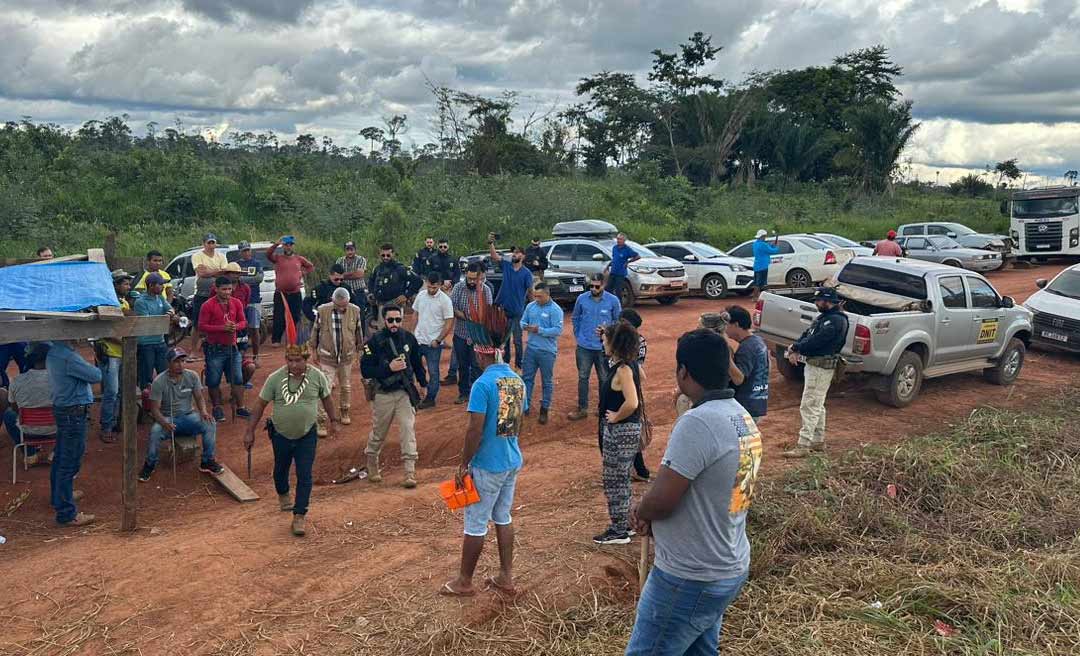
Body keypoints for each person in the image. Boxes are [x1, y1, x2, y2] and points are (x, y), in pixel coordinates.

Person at [625, 329, 761, 655]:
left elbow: (663, 498)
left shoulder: (698, 422)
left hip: (689, 577)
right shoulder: (741, 417)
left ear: (683, 372)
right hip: (726, 565)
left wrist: (641, 512)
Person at [441, 304, 526, 597]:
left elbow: (474, 429)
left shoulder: (482, 384)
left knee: (476, 523)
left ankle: (464, 582)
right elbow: (515, 423)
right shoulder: (515, 380)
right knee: (503, 516)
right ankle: (506, 576)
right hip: (510, 459)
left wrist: (464, 464)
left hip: (488, 464)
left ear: (481, 353)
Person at [244, 343, 337, 537]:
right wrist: (249, 431)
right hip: (280, 434)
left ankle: (299, 514)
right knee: (280, 470)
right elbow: (260, 405)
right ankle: (283, 492)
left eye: (298, 361)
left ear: (306, 360)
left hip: (307, 435)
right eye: (290, 360)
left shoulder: (317, 376)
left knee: (305, 475)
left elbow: (327, 399)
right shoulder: (275, 378)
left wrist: (333, 421)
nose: (293, 365)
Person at [360, 305, 427, 488]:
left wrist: (423, 383)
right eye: (391, 320)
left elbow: (417, 363)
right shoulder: (373, 342)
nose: (395, 323)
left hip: (404, 392)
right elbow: (365, 370)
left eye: (398, 319)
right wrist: (388, 368)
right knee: (379, 432)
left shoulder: (409, 339)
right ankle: (372, 461)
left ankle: (409, 471)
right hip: (383, 393)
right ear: (384, 320)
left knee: (407, 428)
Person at [593, 320, 646, 545]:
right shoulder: (629, 364)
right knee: (620, 479)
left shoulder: (623, 369)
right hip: (626, 430)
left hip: (621, 430)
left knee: (614, 480)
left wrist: (615, 416)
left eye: (605, 341)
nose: (603, 344)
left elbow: (632, 402)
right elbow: (641, 378)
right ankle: (624, 524)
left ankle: (618, 530)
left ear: (614, 344)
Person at [138, 348, 221, 481]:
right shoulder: (159, 381)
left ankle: (207, 460)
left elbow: (199, 398)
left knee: (210, 423)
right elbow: (154, 409)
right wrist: (164, 423)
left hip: (189, 415)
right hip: (168, 418)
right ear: (168, 363)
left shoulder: (192, 376)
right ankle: (150, 464)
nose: (181, 364)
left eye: (182, 361)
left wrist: (204, 412)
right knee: (155, 432)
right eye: (176, 362)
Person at [784, 287, 848, 458]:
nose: (816, 304)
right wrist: (795, 347)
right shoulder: (825, 318)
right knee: (817, 405)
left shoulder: (835, 321)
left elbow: (817, 341)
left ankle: (803, 445)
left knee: (810, 405)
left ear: (828, 301)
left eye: (818, 301)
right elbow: (807, 335)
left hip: (821, 367)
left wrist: (796, 348)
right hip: (816, 366)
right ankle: (817, 442)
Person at [48, 339, 102, 526]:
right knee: (69, 461)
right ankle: (66, 512)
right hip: (73, 412)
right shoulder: (69, 357)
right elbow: (96, 375)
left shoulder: (55, 351)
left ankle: (59, 496)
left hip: (65, 409)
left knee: (61, 457)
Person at [309, 287, 363, 434]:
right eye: (338, 306)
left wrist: (360, 351)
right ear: (333, 301)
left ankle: (344, 411)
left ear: (348, 302)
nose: (341, 308)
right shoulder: (322, 310)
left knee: (346, 386)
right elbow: (316, 330)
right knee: (325, 388)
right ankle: (321, 421)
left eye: (344, 306)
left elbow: (358, 331)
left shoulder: (355, 310)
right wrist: (313, 351)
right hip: (327, 356)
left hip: (346, 356)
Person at [568, 273, 622, 421]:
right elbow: (575, 317)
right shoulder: (582, 299)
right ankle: (582, 408)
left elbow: (618, 321)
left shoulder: (613, 301)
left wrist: (609, 335)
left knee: (604, 379)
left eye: (597, 286)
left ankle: (603, 408)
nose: (593, 288)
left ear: (603, 285)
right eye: (591, 286)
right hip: (584, 346)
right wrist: (578, 335)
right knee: (583, 377)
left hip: (604, 348)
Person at [198, 276, 248, 421]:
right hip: (214, 348)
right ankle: (216, 407)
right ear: (216, 289)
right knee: (213, 380)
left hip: (232, 347)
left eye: (229, 289)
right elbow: (201, 326)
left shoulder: (236, 302)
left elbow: (243, 321)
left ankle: (240, 407)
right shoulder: (207, 305)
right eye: (224, 289)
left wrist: (235, 327)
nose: (227, 292)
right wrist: (222, 328)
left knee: (237, 379)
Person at [97, 269, 133, 443]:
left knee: (118, 391)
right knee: (111, 391)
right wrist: (124, 342)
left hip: (120, 352)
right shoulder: (108, 303)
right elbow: (104, 331)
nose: (128, 286)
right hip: (111, 352)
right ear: (116, 285)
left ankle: (113, 423)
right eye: (125, 283)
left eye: (128, 283)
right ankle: (106, 426)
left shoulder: (123, 301)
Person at [2, 344, 54, 466]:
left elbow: (14, 408)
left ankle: (29, 454)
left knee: (8, 415)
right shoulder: (59, 381)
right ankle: (57, 453)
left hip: (28, 429)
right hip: (55, 428)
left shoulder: (17, 381)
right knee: (74, 412)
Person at [520, 282, 563, 425]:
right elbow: (522, 321)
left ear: (547, 294)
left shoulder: (555, 310)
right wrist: (525, 326)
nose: (536, 299)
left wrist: (540, 330)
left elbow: (557, 330)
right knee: (527, 378)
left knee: (547, 381)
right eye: (535, 296)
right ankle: (525, 406)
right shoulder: (530, 306)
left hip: (547, 352)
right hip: (531, 349)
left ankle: (544, 409)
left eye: (539, 296)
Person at [450, 263, 493, 404]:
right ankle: (463, 393)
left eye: (475, 279)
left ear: (480, 277)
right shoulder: (458, 288)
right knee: (462, 365)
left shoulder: (486, 291)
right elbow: (453, 308)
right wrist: (466, 316)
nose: (472, 282)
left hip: (478, 336)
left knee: (477, 366)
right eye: (469, 279)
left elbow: (488, 312)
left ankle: (477, 393)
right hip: (461, 333)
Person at [488, 235, 533, 370]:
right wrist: (490, 243)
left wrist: (532, 310)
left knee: (518, 341)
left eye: (518, 252)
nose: (514, 254)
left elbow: (530, 292)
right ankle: (505, 365)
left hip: (517, 311)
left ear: (523, 256)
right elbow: (495, 257)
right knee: (504, 340)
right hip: (503, 310)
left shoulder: (526, 273)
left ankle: (518, 366)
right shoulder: (507, 266)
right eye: (513, 252)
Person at [675, 312, 731, 418]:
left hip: (709, 400)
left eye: (699, 327)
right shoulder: (721, 348)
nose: (696, 329)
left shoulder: (717, 350)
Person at [617, 308, 651, 482]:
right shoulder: (636, 341)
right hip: (624, 386)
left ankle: (636, 468)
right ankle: (637, 468)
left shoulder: (633, 342)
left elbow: (637, 369)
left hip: (627, 387)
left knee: (626, 426)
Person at [412, 272, 455, 409]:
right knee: (414, 368)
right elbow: (415, 314)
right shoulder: (421, 295)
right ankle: (413, 395)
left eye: (434, 287)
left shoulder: (445, 301)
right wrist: (413, 333)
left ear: (440, 285)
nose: (431, 290)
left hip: (433, 343)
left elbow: (449, 322)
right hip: (418, 341)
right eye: (429, 287)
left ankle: (430, 399)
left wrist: (438, 340)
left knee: (433, 372)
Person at [726, 305, 770, 422]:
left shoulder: (747, 348)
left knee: (742, 439)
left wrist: (727, 358)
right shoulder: (758, 341)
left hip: (746, 407)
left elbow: (738, 379)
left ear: (735, 325)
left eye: (726, 324)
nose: (724, 328)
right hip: (757, 401)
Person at [267, 236, 314, 344]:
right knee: (278, 316)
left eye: (290, 245)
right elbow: (268, 254)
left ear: (293, 246)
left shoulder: (299, 259)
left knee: (295, 316)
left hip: (295, 292)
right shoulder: (278, 258)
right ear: (283, 246)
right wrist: (276, 244)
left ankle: (295, 340)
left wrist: (301, 274)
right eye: (286, 245)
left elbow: (310, 266)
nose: (288, 247)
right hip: (281, 293)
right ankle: (276, 340)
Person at [133, 273, 177, 389]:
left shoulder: (160, 297)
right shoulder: (140, 302)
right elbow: (148, 322)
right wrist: (166, 317)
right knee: (146, 375)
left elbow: (170, 308)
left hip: (160, 341)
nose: (163, 287)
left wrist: (170, 313)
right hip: (146, 343)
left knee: (164, 372)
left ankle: (162, 400)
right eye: (160, 284)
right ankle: (146, 400)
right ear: (151, 285)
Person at [191, 233, 228, 356]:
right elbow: (201, 273)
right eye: (209, 243)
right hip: (201, 293)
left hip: (217, 293)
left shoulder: (221, 256)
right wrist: (217, 271)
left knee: (218, 321)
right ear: (204, 244)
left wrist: (210, 271)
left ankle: (217, 348)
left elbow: (224, 273)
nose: (212, 245)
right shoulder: (197, 256)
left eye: (213, 242)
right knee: (197, 323)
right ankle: (193, 351)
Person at [368, 244, 420, 330]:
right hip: (380, 305)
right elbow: (371, 281)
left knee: (395, 331)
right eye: (383, 255)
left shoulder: (400, 268)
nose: (385, 257)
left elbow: (418, 281)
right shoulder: (377, 269)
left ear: (393, 254)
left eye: (388, 255)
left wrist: (406, 295)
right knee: (382, 332)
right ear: (379, 254)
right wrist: (371, 293)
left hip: (395, 305)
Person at [234, 241, 265, 361]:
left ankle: (256, 355)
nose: (246, 253)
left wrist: (242, 279)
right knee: (240, 328)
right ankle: (240, 355)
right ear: (240, 252)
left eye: (248, 250)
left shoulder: (257, 263)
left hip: (254, 299)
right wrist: (250, 279)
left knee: (255, 327)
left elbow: (259, 278)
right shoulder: (236, 265)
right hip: (239, 301)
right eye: (244, 251)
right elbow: (235, 278)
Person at [751, 229, 780, 298]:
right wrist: (777, 246)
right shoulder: (763, 245)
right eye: (764, 236)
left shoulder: (755, 244)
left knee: (756, 283)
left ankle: (755, 297)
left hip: (756, 266)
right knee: (762, 283)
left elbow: (767, 249)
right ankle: (759, 297)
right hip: (763, 266)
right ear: (762, 236)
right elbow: (773, 251)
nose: (765, 238)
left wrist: (772, 245)